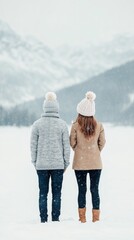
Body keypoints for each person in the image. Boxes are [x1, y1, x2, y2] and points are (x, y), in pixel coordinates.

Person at [30, 92, 70, 223]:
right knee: (56, 194)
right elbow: (66, 147)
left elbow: (33, 146)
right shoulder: (62, 124)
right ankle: (55, 219)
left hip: (41, 165)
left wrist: (35, 162)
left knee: (43, 193)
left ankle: (43, 219)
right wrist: (65, 163)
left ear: (44, 107)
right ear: (56, 107)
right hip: (58, 165)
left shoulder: (37, 124)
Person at [70, 91, 106, 223]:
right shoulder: (99, 125)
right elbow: (102, 142)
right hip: (96, 163)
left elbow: (72, 142)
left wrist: (79, 151)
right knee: (95, 189)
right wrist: (95, 152)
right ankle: (96, 219)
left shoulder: (75, 125)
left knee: (81, 190)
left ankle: (82, 219)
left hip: (80, 163)